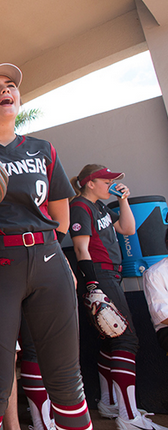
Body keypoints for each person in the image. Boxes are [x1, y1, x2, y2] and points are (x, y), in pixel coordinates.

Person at [0, 63, 91, 430]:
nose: (6, 90)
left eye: (10, 86)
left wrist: (54, 256)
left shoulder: (43, 149)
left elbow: (60, 218)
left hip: (48, 259)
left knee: (67, 379)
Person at [69, 165, 166, 430]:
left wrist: (122, 199)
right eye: (106, 180)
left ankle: (111, 403)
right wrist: (91, 285)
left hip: (112, 274)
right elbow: (80, 248)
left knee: (109, 339)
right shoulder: (80, 205)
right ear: (90, 183)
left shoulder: (101, 207)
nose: (111, 184)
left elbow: (128, 228)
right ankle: (128, 415)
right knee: (126, 339)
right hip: (99, 275)